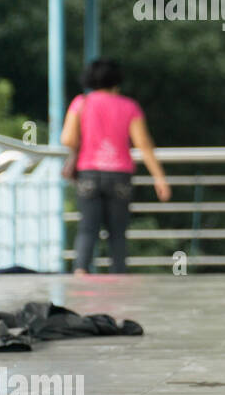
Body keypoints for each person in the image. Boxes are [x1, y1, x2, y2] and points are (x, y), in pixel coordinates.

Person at [60, 59, 171, 274]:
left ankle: (81, 274)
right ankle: (118, 279)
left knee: (87, 229)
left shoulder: (81, 102)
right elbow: (143, 144)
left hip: (89, 172)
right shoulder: (129, 106)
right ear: (117, 80)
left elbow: (67, 139)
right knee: (118, 234)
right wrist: (159, 177)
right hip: (120, 174)